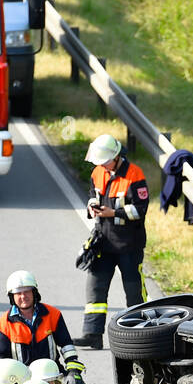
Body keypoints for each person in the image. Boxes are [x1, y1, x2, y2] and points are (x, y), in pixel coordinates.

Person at [75, 134, 151, 349]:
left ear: (116, 157)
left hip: (129, 245)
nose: (102, 166)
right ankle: (92, 334)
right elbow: (92, 194)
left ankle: (140, 334)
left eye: (105, 161)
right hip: (103, 242)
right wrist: (92, 207)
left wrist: (113, 213)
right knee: (95, 290)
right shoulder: (98, 171)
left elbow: (141, 210)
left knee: (134, 292)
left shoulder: (135, 175)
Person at [0, 271, 87, 384]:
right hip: (21, 381)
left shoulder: (53, 314)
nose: (23, 296)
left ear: (34, 292)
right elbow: (1, 361)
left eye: (27, 291)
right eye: (18, 293)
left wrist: (73, 371)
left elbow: (66, 344)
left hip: (52, 375)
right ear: (12, 296)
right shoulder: (3, 324)